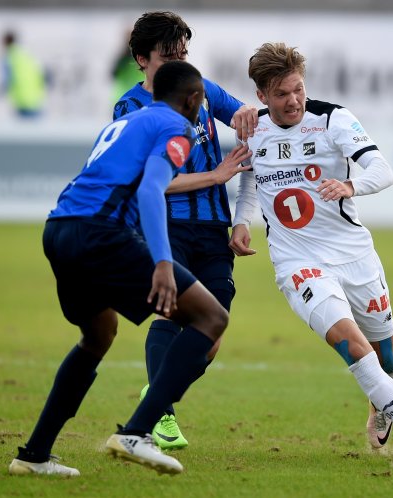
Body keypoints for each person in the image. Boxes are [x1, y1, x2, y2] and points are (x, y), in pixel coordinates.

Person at [230, 42, 393, 471]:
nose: (293, 100)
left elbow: (382, 170)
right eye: (281, 93)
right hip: (298, 263)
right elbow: (249, 183)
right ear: (262, 96)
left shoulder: (333, 118)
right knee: (354, 347)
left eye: (297, 89)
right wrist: (242, 222)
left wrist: (351, 186)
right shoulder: (252, 129)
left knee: (387, 358)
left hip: (354, 256)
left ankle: (382, 401)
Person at [9, 60, 223, 477]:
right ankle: (138, 432)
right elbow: (150, 189)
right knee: (211, 317)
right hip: (102, 233)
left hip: (59, 228)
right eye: (202, 100)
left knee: (98, 334)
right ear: (194, 98)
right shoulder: (177, 128)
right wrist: (163, 260)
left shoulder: (124, 123)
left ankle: (33, 455)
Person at [113, 11, 255, 451]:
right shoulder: (130, 107)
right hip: (166, 223)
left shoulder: (203, 90)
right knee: (173, 312)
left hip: (213, 227)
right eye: (166, 56)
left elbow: (244, 114)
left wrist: (251, 115)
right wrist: (215, 175)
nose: (178, 63)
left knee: (212, 332)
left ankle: (154, 398)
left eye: (183, 53)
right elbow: (144, 182)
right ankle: (160, 415)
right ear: (141, 59)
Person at [1, 30, 47, 118]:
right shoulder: (26, 54)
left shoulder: (9, 58)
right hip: (37, 99)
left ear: (5, 42)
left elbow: (7, 81)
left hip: (22, 101)